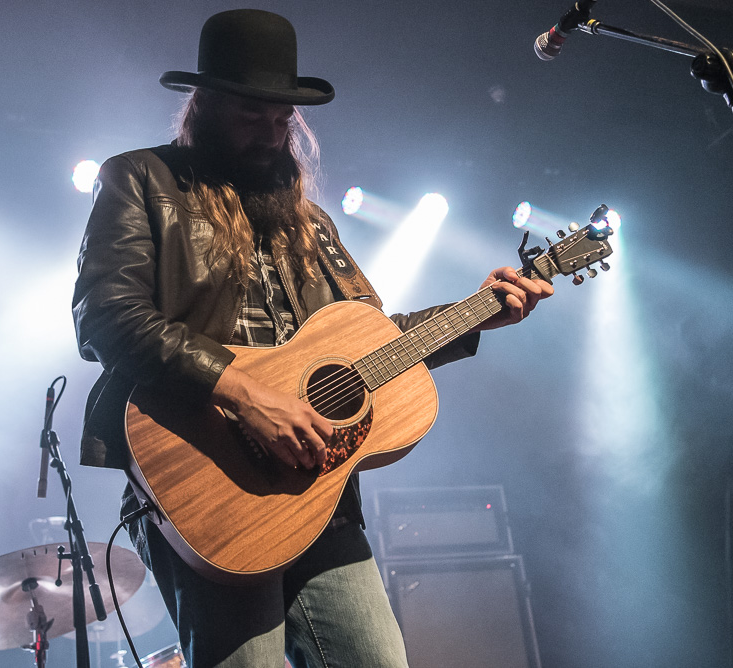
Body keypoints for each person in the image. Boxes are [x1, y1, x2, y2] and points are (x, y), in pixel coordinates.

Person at [72, 9, 553, 668]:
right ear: (204, 101)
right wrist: (243, 392)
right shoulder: (141, 181)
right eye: (251, 115)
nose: (272, 133)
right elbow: (105, 316)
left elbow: (370, 343)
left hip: (319, 496)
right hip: (205, 481)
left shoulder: (310, 221)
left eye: (282, 119)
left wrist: (477, 315)